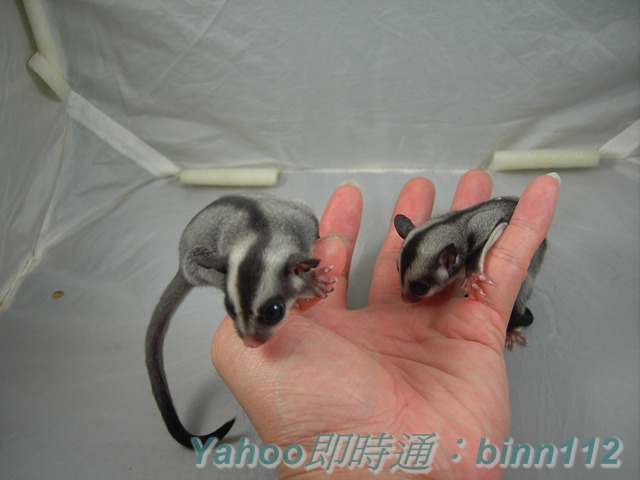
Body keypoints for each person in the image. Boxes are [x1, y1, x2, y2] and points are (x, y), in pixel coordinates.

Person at [211, 170, 560, 479]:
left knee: (517, 301)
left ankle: (515, 322)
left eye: (418, 289)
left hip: (500, 232)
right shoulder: (444, 242)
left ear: (449, 262)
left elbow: (497, 229)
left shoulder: (464, 244)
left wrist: (477, 270)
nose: (406, 299)